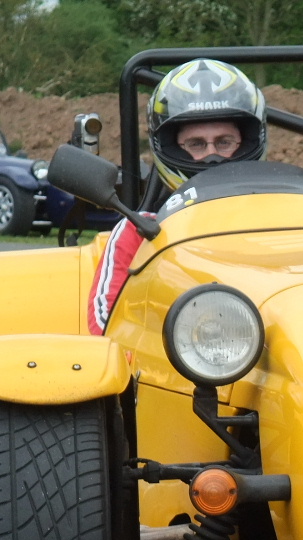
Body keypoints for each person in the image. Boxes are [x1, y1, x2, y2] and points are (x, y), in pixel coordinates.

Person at [88, 58, 267, 335]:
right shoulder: (139, 230)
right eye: (196, 144)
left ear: (246, 144)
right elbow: (104, 325)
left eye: (224, 142)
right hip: (175, 367)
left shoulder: (281, 220)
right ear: (173, 147)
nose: (212, 156)